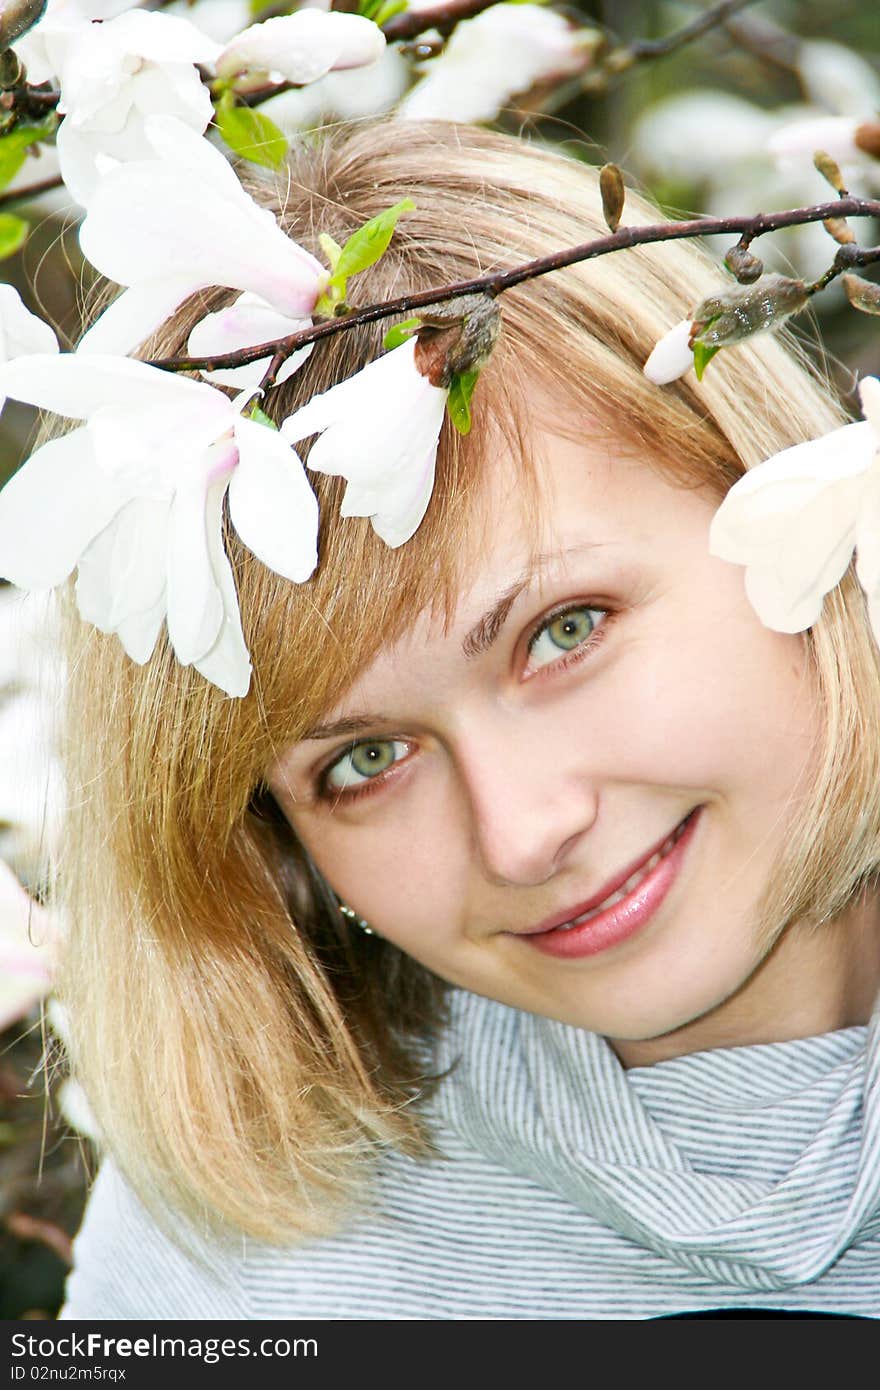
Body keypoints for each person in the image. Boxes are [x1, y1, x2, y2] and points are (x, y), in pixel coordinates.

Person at [25, 117, 880, 1318]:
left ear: (769, 475)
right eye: (364, 760)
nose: (523, 834)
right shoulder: (238, 1249)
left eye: (563, 630)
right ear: (277, 850)